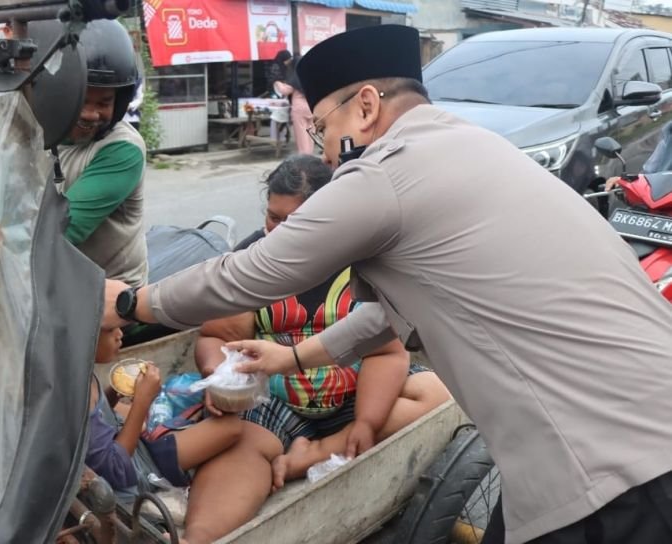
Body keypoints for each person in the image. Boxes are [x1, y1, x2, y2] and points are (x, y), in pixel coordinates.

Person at [102, 25, 672, 544]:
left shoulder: (387, 170)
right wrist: (290, 359)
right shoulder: (468, 146)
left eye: (322, 127)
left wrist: (130, 302)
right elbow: (387, 316)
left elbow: (253, 272)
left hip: (611, 472)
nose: (323, 149)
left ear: (367, 106)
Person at [196, 154, 450, 488]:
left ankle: (314, 452)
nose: (281, 233)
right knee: (234, 456)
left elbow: (385, 353)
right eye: (274, 218)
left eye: (296, 222)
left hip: (356, 396)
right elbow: (216, 337)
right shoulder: (248, 261)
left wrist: (367, 423)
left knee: (435, 391)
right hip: (273, 404)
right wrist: (221, 378)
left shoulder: (366, 263)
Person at [86, 327, 243, 494]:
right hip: (139, 469)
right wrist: (142, 402)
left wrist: (115, 392)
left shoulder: (83, 374)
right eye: (110, 330)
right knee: (231, 426)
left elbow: (101, 412)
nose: (120, 334)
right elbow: (117, 469)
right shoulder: (82, 394)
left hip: (130, 447)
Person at [59, 19, 148, 288]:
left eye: (104, 102)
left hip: (110, 298)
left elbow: (61, 232)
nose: (89, 113)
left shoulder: (122, 150)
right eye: (81, 99)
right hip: (54, 283)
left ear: (119, 103)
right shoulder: (41, 131)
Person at [273, 55, 313, 155]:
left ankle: (304, 155)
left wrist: (277, 83)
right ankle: (310, 153)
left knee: (301, 133)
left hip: (299, 109)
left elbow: (285, 91)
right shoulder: (310, 75)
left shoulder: (295, 78)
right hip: (311, 107)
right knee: (311, 132)